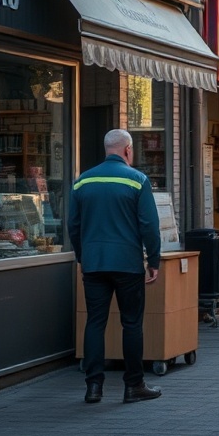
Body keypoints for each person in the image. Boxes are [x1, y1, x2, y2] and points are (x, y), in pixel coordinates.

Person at [69, 129, 162, 405]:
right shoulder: (137, 180)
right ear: (128, 150)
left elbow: (73, 225)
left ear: (107, 149)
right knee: (131, 323)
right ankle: (134, 385)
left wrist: (82, 256)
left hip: (94, 263)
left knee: (95, 322)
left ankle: (93, 387)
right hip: (127, 264)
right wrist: (153, 261)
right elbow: (149, 226)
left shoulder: (82, 181)